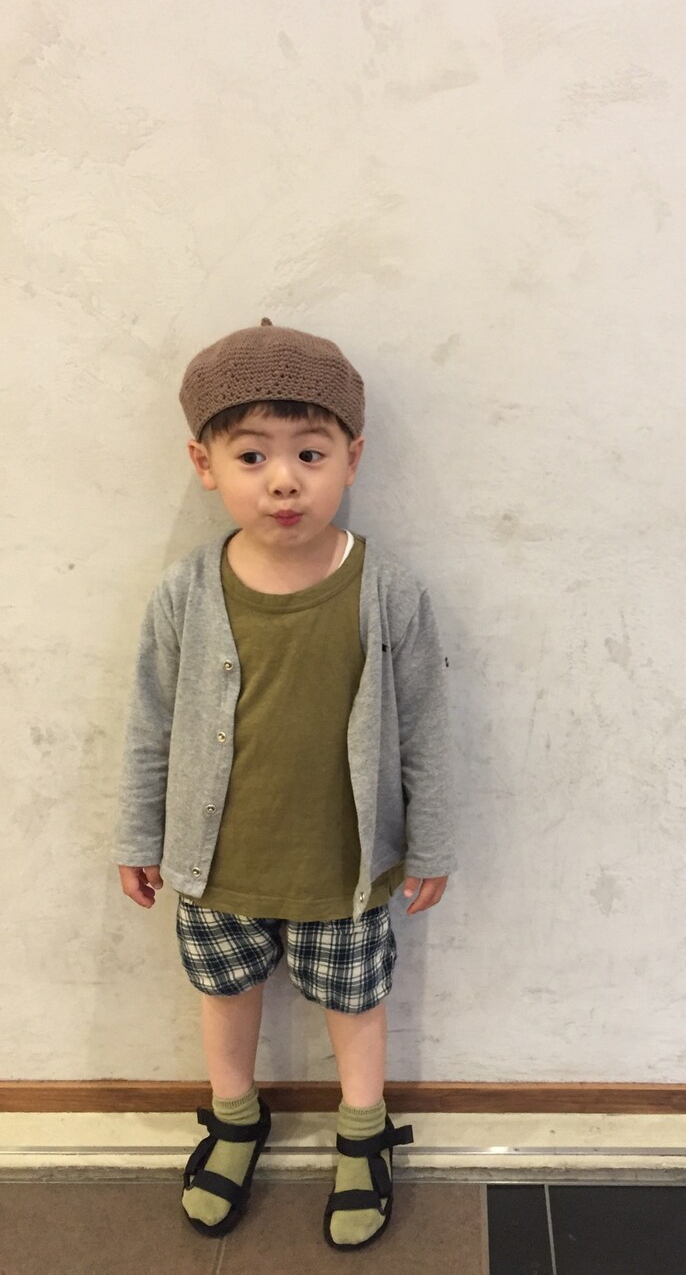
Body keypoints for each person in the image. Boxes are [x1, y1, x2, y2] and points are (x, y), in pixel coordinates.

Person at [114, 318, 455, 1251]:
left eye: (310, 452)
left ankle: (363, 1134)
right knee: (225, 995)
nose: (283, 480)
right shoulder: (186, 593)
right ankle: (235, 1119)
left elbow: (425, 724)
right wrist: (138, 834)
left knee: (355, 1001)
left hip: (342, 868)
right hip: (217, 864)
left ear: (352, 457)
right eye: (252, 454)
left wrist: (430, 842)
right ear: (204, 463)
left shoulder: (387, 592)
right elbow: (151, 722)